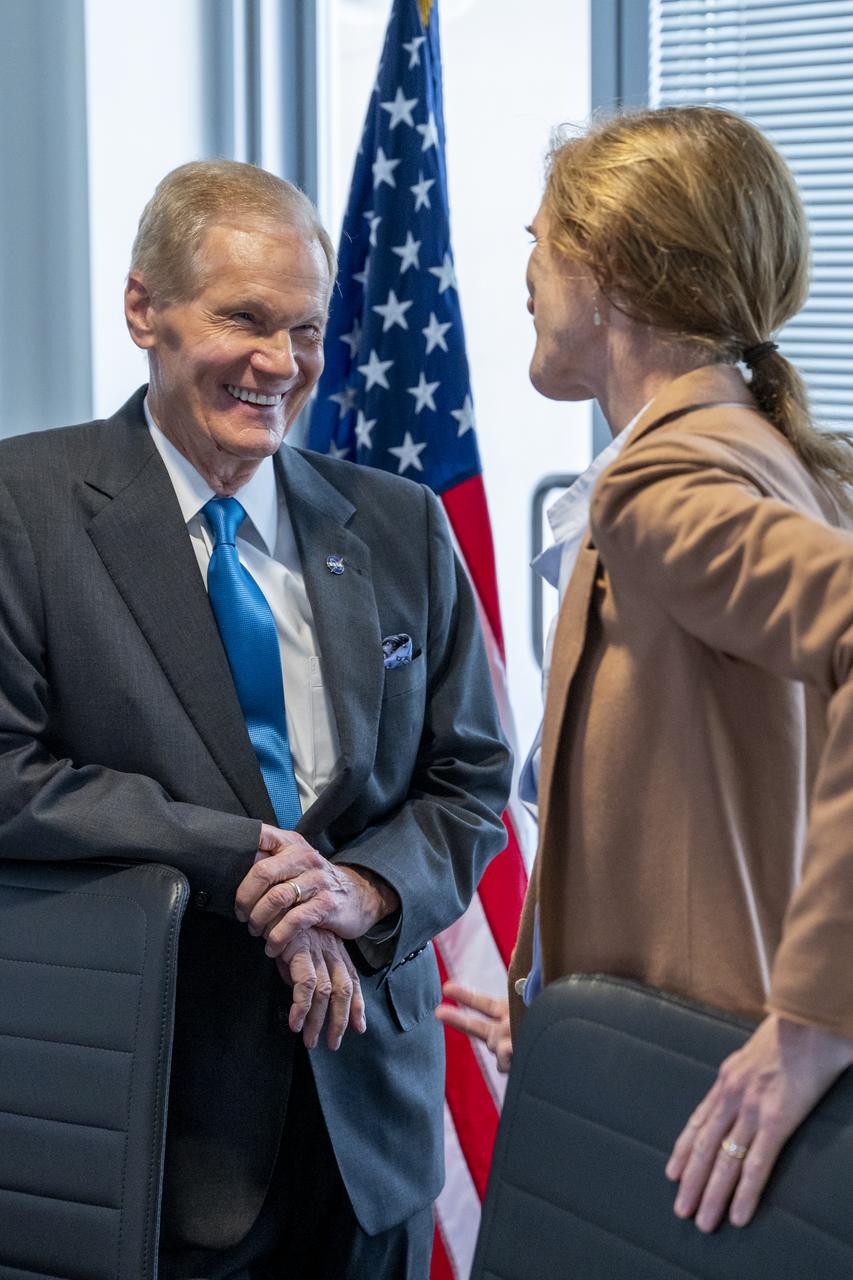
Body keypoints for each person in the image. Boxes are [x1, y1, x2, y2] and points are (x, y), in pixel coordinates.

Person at [0, 159, 512, 1279]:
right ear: (144, 308)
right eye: (245, 318)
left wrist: (365, 890)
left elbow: (472, 779)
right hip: (155, 1123)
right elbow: (8, 772)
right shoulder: (22, 508)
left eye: (307, 328)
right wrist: (255, 864)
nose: (282, 364)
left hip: (373, 1125)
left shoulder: (403, 526)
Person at [437, 105, 853, 1235]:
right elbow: (720, 797)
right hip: (667, 1081)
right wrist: (567, 996)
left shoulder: (665, 485)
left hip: (702, 1118)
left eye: (539, 239)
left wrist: (814, 1018)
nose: (523, 271)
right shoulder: (757, 451)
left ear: (607, 266)